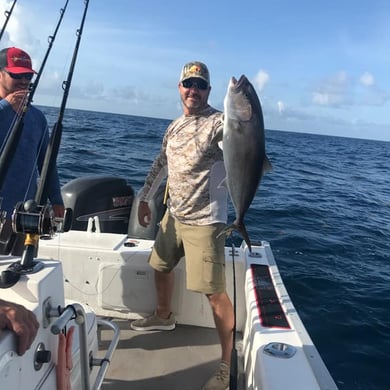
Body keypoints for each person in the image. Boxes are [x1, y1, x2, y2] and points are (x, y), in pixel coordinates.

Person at [130, 61, 234, 390]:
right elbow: (161, 163)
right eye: (188, 83)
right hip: (173, 215)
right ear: (179, 87)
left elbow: (241, 138)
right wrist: (145, 197)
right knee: (160, 266)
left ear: (209, 91)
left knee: (214, 293)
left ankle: (226, 365)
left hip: (206, 223)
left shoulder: (220, 123)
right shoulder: (174, 127)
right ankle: (164, 316)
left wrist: (243, 114)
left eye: (201, 85)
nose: (194, 90)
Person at [0, 47, 64, 255]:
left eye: (28, 75)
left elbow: (46, 163)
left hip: (24, 215)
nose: (24, 80)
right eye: (16, 74)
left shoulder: (37, 118)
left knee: (21, 275)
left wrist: (56, 200)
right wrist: (5, 106)